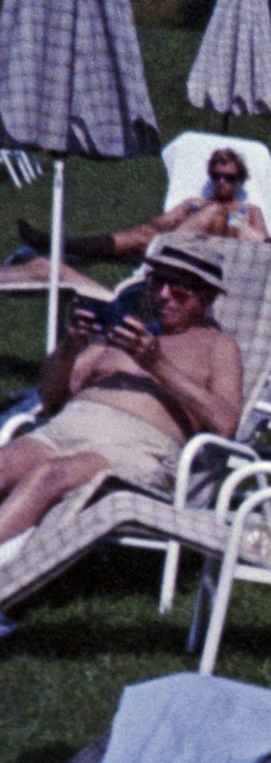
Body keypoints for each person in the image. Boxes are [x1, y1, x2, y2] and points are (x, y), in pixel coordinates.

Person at [0, 232, 244, 549]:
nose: (164, 295)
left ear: (207, 296)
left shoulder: (218, 346)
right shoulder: (128, 331)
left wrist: (156, 364)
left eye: (179, 289)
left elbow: (226, 422)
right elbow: (50, 395)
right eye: (157, 282)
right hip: (64, 429)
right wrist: (71, 344)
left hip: (132, 450)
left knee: (48, 476)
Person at [19, 145, 269, 261]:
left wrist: (231, 220)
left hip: (216, 254)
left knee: (216, 210)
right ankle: (62, 244)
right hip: (180, 246)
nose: (222, 182)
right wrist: (165, 223)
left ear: (240, 180)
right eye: (216, 176)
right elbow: (160, 223)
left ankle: (63, 246)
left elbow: (265, 246)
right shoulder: (194, 203)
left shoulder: (249, 210)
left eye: (229, 177)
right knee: (141, 233)